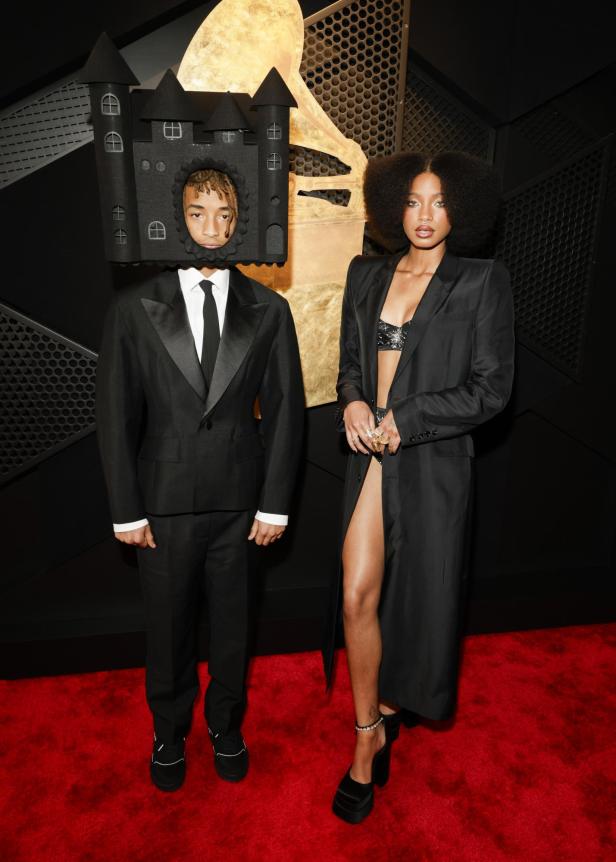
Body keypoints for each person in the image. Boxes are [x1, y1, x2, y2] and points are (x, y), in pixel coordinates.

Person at [97, 168, 304, 791]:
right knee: (167, 630)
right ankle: (167, 733)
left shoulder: (269, 309)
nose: (212, 228)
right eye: (197, 213)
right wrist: (126, 511)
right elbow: (114, 414)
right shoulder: (134, 307)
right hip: (161, 508)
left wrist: (275, 505)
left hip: (242, 507)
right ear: (177, 217)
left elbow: (288, 411)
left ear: (240, 221)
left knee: (235, 628)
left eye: (225, 215)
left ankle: (225, 726)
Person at [323, 152, 515, 823]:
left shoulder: (481, 281)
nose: (426, 215)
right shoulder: (367, 273)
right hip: (368, 456)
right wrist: (352, 402)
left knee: (414, 604)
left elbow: (491, 390)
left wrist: (408, 417)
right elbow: (351, 362)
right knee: (355, 596)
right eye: (413, 201)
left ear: (460, 207)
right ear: (391, 208)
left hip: (432, 464)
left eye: (438, 201)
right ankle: (366, 731)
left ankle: (384, 716)